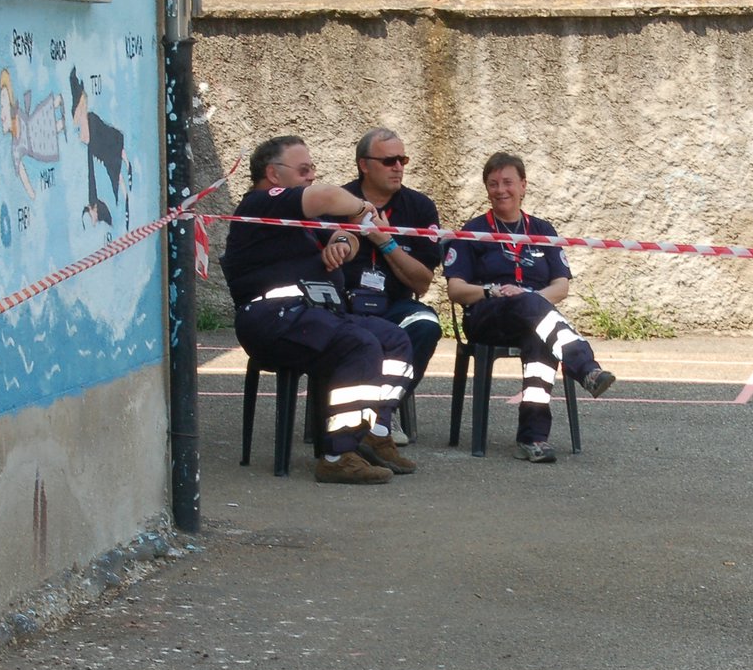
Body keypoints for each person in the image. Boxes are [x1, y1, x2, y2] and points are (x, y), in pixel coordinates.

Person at [221, 136, 418, 485]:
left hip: (317, 314)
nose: (312, 175)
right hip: (274, 318)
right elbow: (329, 196)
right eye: (304, 169)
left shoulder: (296, 213)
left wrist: (341, 242)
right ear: (274, 174)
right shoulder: (261, 202)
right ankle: (338, 455)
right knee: (359, 344)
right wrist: (361, 207)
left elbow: (346, 234)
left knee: (396, 339)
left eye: (313, 168)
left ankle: (375, 430)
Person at [444, 152, 616, 464]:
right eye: (493, 184)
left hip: (533, 318)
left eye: (508, 182)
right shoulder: (472, 231)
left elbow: (560, 287)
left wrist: (530, 298)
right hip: (487, 315)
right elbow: (455, 290)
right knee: (526, 303)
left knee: (541, 337)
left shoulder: (542, 229)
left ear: (523, 186)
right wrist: (491, 290)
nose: (500, 190)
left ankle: (533, 438)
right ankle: (586, 368)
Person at [339, 128, 443, 445]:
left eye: (402, 159)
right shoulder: (337, 202)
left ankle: (383, 412)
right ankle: (345, 415)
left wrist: (384, 241)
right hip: (344, 304)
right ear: (364, 165)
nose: (398, 166)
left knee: (426, 324)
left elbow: (422, 282)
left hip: (395, 304)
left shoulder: (420, 208)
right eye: (389, 160)